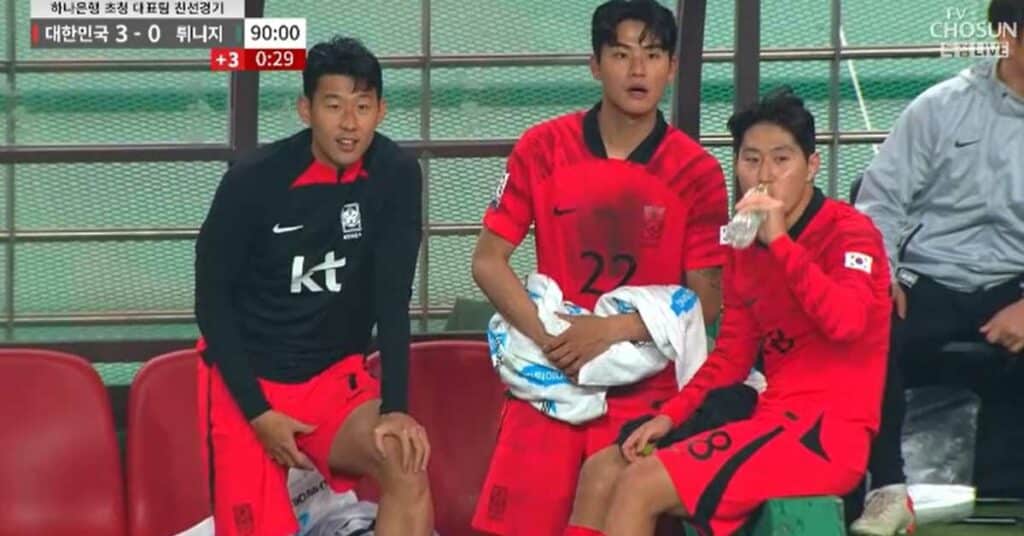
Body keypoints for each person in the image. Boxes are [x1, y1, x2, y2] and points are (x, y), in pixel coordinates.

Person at [564, 89, 892, 536]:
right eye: (751, 160)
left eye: (782, 160)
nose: (765, 175)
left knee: (641, 484)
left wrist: (780, 243)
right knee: (603, 469)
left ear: (811, 166)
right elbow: (731, 356)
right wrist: (671, 415)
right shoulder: (743, 245)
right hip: (769, 420)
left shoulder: (850, 232)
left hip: (824, 437)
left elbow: (846, 322)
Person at [469, 1, 731, 534]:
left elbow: (707, 300)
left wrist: (610, 331)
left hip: (647, 393)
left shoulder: (698, 172)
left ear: (672, 67)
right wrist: (553, 339)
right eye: (621, 54)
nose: (638, 70)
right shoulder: (542, 148)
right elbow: (487, 261)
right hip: (550, 381)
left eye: (652, 55)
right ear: (594, 65)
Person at [194, 36, 433, 536]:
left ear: (381, 111)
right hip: (250, 383)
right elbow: (211, 304)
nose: (349, 123)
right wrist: (259, 413)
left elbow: (393, 299)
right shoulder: (252, 180)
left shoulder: (395, 175)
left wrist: (396, 408)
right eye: (333, 105)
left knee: (405, 462)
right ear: (306, 109)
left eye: (362, 106)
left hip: (332, 380)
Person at [851, 1, 1024, 533]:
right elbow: (879, 201)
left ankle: (1006, 498)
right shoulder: (940, 108)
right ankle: (885, 489)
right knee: (863, 332)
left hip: (1014, 284)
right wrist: (883, 274)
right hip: (929, 279)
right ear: (1007, 35)